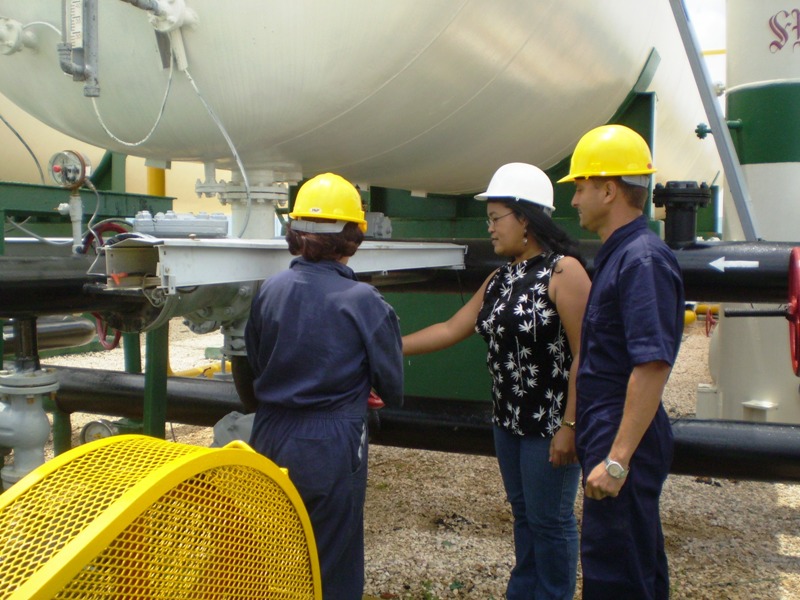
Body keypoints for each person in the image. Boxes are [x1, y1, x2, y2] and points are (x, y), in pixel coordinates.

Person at [403, 162, 590, 600]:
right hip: (507, 423)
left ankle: (554, 594)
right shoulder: (500, 279)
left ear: (525, 219)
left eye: (495, 218)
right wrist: (386, 347)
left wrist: (571, 425)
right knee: (525, 516)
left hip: (550, 427)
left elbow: (587, 353)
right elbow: (451, 328)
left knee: (551, 521)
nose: (489, 228)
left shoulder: (565, 273)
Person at [231, 172, 404, 599]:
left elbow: (254, 361)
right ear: (354, 236)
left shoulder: (269, 291)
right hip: (330, 442)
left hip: (269, 433)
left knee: (269, 552)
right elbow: (392, 385)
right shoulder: (365, 302)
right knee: (332, 561)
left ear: (295, 232)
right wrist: (365, 387)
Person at [557, 124, 684, 600]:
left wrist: (617, 459)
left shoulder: (641, 260)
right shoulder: (622, 254)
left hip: (622, 434)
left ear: (610, 189)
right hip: (610, 428)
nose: (574, 201)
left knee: (617, 575)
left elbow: (652, 365)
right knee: (633, 563)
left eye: (582, 188)